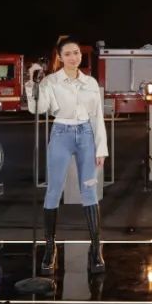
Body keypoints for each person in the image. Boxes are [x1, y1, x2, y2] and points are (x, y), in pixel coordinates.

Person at [26, 36, 108, 275]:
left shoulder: (90, 82)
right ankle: (49, 247)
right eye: (68, 54)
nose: (74, 57)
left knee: (89, 190)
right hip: (61, 133)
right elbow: (39, 108)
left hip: (86, 135)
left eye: (77, 53)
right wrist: (32, 84)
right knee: (54, 190)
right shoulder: (51, 81)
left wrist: (101, 148)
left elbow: (97, 116)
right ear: (60, 57)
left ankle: (96, 248)